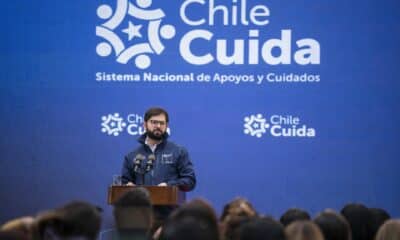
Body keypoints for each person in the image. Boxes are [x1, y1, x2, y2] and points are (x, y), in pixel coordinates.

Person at [121, 107, 196, 191]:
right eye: (154, 122)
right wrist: (128, 186)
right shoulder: (132, 156)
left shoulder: (179, 151)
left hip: (170, 202)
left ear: (167, 126)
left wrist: (169, 185)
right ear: (145, 124)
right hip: (141, 203)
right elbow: (124, 183)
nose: (158, 126)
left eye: (162, 123)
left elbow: (190, 181)